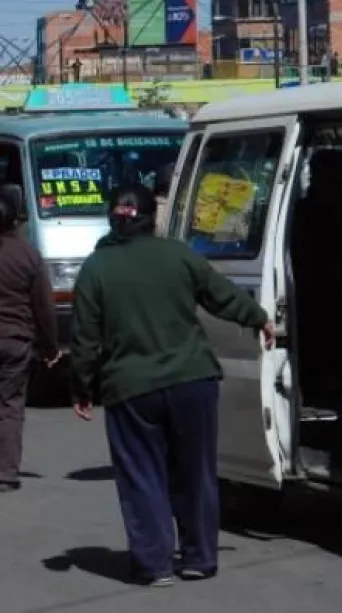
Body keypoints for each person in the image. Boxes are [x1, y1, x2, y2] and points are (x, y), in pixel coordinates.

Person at [70, 184, 275, 587]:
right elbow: (222, 296)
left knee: (141, 474)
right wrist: (259, 318)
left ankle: (154, 563)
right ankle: (199, 557)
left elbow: (84, 339)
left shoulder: (96, 268)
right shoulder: (178, 254)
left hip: (131, 389)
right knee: (196, 471)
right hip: (192, 380)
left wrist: (82, 388)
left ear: (112, 220)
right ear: (152, 219)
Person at [0, 190, 61, 493]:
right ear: (16, 220)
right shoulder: (27, 255)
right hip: (14, 340)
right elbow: (44, 307)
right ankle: (6, 473)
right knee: (10, 406)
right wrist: (51, 347)